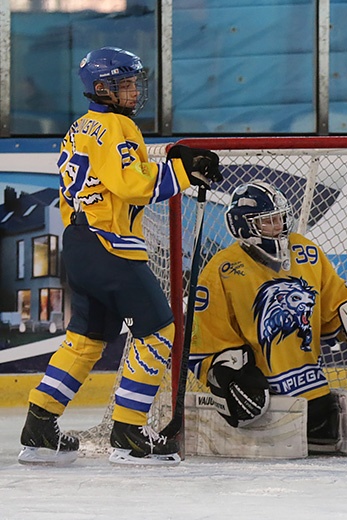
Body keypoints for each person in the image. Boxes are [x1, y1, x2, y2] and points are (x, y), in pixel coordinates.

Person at [18, 47, 222, 466]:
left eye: (133, 82)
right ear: (101, 88)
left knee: (87, 341)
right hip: (110, 245)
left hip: (79, 245)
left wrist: (172, 162)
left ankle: (39, 427)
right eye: (123, 83)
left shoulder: (82, 127)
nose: (132, 90)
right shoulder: (116, 127)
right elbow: (132, 185)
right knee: (159, 330)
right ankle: (128, 434)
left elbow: (118, 175)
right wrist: (184, 172)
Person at [187, 180, 347, 456]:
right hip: (267, 405)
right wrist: (227, 376)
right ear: (242, 226)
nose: (277, 226)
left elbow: (335, 305)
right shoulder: (222, 269)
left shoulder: (306, 251)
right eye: (267, 221)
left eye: (279, 218)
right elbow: (207, 338)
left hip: (315, 400)